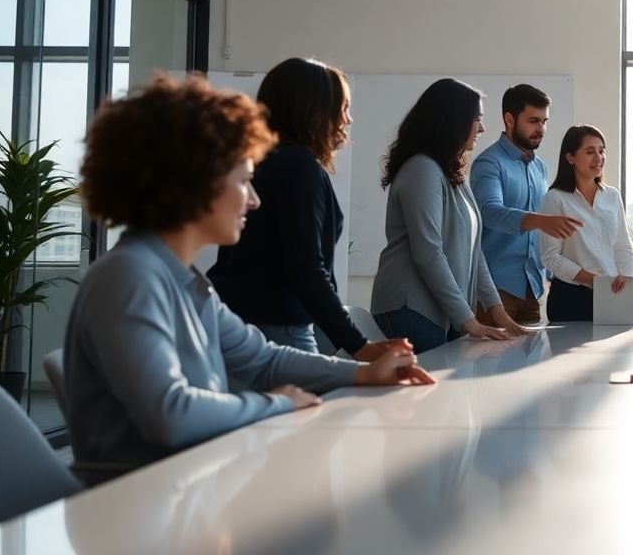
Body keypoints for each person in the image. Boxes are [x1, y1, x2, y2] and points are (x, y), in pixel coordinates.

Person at [64, 75, 432, 479]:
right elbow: (170, 415)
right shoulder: (130, 276)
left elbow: (263, 359)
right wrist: (278, 403)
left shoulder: (180, 279)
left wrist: (363, 373)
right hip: (135, 516)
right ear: (195, 182)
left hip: (183, 495)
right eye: (244, 181)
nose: (254, 200)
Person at [209, 57, 394, 360]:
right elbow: (306, 267)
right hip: (278, 325)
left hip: (244, 320)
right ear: (314, 111)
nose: (348, 120)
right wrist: (359, 346)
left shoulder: (265, 160)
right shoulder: (298, 167)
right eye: (343, 109)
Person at [371, 78, 528, 353]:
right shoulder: (423, 170)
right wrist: (468, 320)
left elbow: (474, 252)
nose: (483, 128)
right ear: (452, 120)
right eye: (476, 119)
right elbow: (428, 251)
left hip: (439, 310)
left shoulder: (450, 174)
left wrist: (496, 310)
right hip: (411, 308)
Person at [471, 84, 582, 326]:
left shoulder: (539, 167)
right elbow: (489, 212)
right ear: (509, 119)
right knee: (490, 363)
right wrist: (540, 220)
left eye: (544, 121)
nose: (541, 129)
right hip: (495, 292)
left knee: (530, 364)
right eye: (533, 120)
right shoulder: (489, 163)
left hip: (533, 290)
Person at [537, 125, 633, 322]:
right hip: (571, 298)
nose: (598, 158)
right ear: (570, 157)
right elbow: (551, 257)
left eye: (602, 151)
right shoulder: (555, 198)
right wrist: (593, 280)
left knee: (617, 352)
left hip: (613, 294)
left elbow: (622, 248)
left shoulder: (612, 196)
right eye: (590, 152)